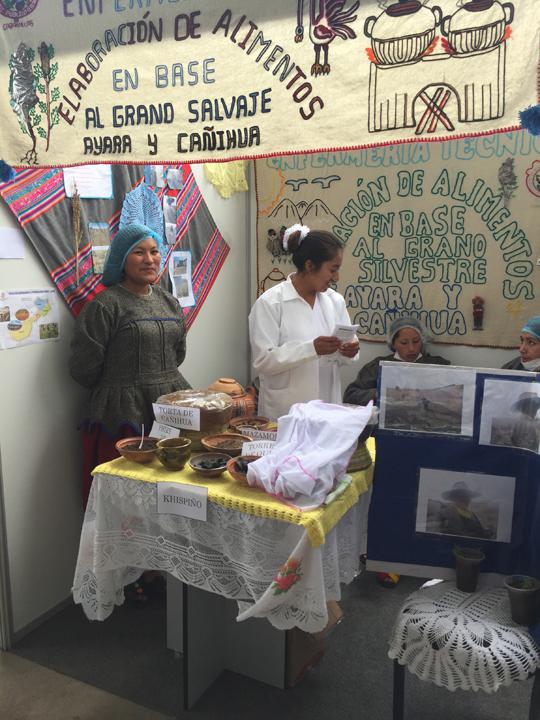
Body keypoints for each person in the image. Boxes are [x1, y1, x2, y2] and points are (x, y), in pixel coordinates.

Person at [69, 223, 190, 507]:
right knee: (128, 503)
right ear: (122, 259)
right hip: (123, 418)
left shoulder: (169, 302)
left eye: (154, 252)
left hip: (169, 413)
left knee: (172, 494)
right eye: (139, 252)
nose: (150, 259)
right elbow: (83, 368)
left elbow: (178, 353)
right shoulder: (105, 306)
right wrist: (123, 384)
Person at [249, 224, 358, 420]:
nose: (336, 277)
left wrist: (349, 351)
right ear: (309, 266)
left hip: (327, 409)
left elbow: (344, 353)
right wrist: (311, 349)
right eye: (332, 269)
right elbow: (263, 361)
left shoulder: (335, 301)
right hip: (285, 413)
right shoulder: (271, 303)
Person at [343, 316, 450, 406]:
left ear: (422, 340)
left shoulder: (438, 365)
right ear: (393, 343)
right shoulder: (378, 366)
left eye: (416, 341)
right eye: (404, 343)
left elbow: (457, 396)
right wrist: (382, 393)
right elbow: (350, 396)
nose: (411, 348)